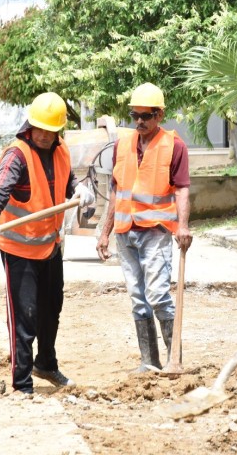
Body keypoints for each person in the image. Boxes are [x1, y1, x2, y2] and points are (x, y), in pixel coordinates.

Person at [0, 92, 95, 395]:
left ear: (58, 130)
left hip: (50, 246)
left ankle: (46, 363)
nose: (44, 136)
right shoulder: (16, 155)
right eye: (40, 129)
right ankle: (22, 384)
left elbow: (69, 181)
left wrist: (81, 189)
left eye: (51, 130)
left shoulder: (61, 152)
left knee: (50, 308)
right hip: (19, 249)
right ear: (30, 125)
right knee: (25, 314)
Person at [96, 82, 192, 373]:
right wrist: (105, 230)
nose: (139, 121)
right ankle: (149, 361)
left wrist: (183, 226)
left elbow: (182, 190)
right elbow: (115, 190)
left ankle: (174, 359)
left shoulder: (174, 146)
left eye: (146, 116)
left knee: (159, 296)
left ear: (159, 115)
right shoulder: (121, 146)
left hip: (156, 231)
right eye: (135, 115)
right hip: (126, 231)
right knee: (138, 299)